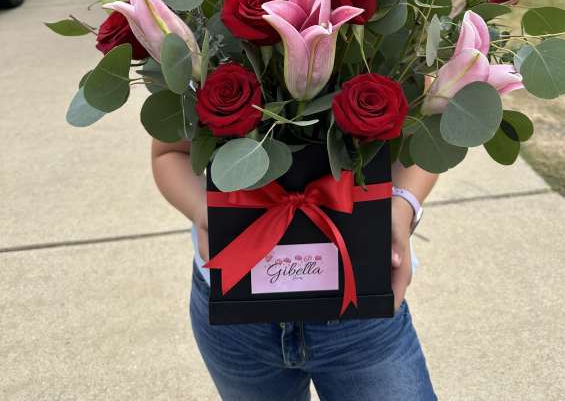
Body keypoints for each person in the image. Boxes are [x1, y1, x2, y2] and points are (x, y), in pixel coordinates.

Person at [152, 137, 438, 400]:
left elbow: (428, 138)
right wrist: (204, 210)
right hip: (240, 324)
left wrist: (404, 204)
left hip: (360, 315)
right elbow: (170, 152)